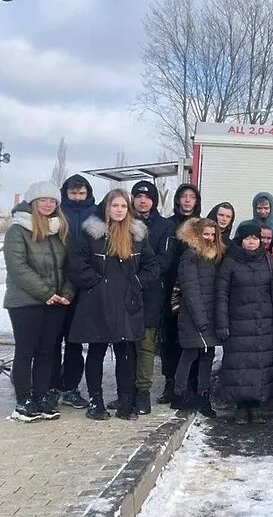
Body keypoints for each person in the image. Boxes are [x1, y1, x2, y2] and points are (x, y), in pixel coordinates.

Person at [67, 189, 160, 421]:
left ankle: (125, 401)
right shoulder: (91, 234)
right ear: (106, 207)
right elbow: (77, 264)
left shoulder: (137, 236)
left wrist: (136, 283)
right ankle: (96, 401)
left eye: (123, 206)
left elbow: (152, 267)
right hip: (97, 303)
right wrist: (97, 284)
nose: (119, 210)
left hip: (127, 303)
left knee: (125, 353)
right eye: (114, 205)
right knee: (97, 351)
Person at [4, 182, 74, 421]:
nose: (48, 205)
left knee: (47, 352)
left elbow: (68, 266)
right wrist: (46, 293)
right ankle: (23, 401)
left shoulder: (59, 231)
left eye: (53, 201)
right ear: (33, 202)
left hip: (55, 302)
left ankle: (41, 397)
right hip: (25, 302)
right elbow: (18, 268)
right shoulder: (18, 230)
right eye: (43, 200)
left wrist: (66, 292)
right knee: (26, 351)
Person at [215, 223, 273, 424]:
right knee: (239, 366)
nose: (252, 242)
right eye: (248, 238)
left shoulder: (268, 261)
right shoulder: (230, 262)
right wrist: (222, 324)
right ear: (241, 240)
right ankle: (240, 407)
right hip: (237, 323)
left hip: (262, 322)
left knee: (260, 365)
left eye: (255, 238)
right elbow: (221, 294)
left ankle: (256, 406)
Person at [125, 181, 175, 415]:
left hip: (152, 291)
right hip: (123, 291)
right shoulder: (122, 222)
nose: (143, 201)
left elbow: (165, 260)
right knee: (124, 344)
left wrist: (140, 278)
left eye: (147, 197)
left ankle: (142, 392)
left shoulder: (165, 226)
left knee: (145, 344)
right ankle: (126, 393)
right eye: (138, 196)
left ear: (154, 201)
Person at [49, 174, 97, 409]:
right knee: (51, 340)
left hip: (84, 287)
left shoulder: (97, 213)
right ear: (65, 194)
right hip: (56, 285)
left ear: (88, 193)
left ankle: (71, 387)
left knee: (75, 341)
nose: (77, 198)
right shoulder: (56, 213)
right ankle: (50, 386)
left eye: (81, 193)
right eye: (73, 193)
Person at [171, 218, 224, 418]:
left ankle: (204, 395)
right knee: (190, 355)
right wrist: (200, 318)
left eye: (212, 234)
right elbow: (190, 290)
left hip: (210, 316)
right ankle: (179, 393)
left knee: (207, 355)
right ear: (197, 234)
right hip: (194, 316)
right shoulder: (190, 256)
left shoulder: (213, 257)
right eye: (206, 234)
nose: (209, 238)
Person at [158, 183, 202, 404]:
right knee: (170, 339)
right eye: (183, 196)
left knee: (191, 341)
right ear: (177, 199)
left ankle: (190, 384)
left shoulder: (201, 225)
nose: (187, 201)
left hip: (193, 290)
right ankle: (169, 383)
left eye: (191, 197)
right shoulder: (167, 225)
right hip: (170, 290)